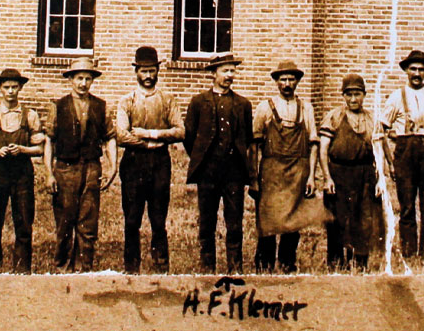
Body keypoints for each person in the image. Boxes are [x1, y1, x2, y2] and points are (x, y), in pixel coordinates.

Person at [114, 46, 183, 273]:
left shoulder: (167, 100)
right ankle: (131, 266)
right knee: (132, 219)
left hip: (159, 164)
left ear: (158, 71)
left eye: (152, 71)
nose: (148, 76)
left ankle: (161, 265)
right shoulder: (127, 101)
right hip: (134, 163)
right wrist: (146, 144)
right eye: (143, 71)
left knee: (158, 219)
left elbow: (180, 131)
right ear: (136, 72)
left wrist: (151, 134)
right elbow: (122, 135)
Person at [375, 50, 424, 260]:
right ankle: (408, 255)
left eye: (421, 69)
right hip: (405, 153)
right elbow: (380, 130)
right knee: (407, 207)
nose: (417, 73)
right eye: (413, 69)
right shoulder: (396, 97)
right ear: (406, 71)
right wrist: (390, 162)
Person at [252, 59, 325, 273]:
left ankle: (287, 265)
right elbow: (255, 144)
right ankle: (264, 266)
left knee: (292, 223)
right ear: (276, 82)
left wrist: (312, 176)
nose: (287, 84)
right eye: (283, 79)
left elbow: (313, 144)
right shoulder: (265, 107)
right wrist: (255, 176)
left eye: (291, 80)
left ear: (297, 82)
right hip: (271, 171)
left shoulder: (306, 108)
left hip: (298, 172)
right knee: (268, 219)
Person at [183, 53, 254, 273]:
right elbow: (189, 137)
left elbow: (248, 138)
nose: (230, 75)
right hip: (208, 172)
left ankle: (235, 268)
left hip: (233, 173)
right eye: (225, 71)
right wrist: (203, 159)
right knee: (207, 220)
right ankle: (207, 267)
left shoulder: (243, 104)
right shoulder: (198, 102)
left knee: (234, 221)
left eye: (232, 71)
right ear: (213, 74)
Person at [44, 57, 115, 272]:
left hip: (91, 168)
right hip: (65, 169)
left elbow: (110, 137)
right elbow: (49, 140)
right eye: (79, 78)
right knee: (65, 222)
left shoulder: (100, 106)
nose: (83, 83)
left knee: (88, 223)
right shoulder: (58, 106)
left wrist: (113, 167)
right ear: (70, 80)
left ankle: (84, 270)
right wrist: (49, 173)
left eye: (87, 79)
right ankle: (61, 269)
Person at [0, 68, 45, 273]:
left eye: (14, 87)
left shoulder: (30, 116)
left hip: (22, 174)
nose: (10, 91)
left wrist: (23, 149)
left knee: (24, 223)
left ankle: (22, 270)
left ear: (20, 88)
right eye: (6, 87)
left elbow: (40, 148)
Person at [319, 74, 384, 270]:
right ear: (343, 96)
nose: (353, 99)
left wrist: (381, 180)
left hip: (364, 176)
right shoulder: (334, 117)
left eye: (357, 94)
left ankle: (360, 263)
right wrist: (327, 178)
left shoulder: (372, 119)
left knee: (363, 221)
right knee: (338, 222)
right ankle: (336, 264)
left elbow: (379, 152)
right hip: (339, 174)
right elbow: (323, 150)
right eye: (349, 95)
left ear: (364, 95)